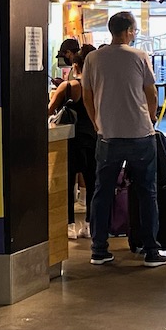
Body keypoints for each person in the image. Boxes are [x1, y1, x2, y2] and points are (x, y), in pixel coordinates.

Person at [82, 12, 166, 267]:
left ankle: (99, 249)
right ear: (129, 31)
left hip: (107, 136)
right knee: (146, 192)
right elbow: (151, 93)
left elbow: (87, 95)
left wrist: (97, 121)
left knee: (102, 192)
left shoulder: (93, 58)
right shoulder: (140, 56)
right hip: (140, 134)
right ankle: (151, 250)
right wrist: (150, 120)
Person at [49, 44, 97, 237]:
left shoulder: (67, 87)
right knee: (93, 182)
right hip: (92, 138)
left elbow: (50, 110)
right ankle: (88, 225)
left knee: (68, 183)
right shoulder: (96, 87)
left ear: (75, 65)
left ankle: (69, 226)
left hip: (69, 139)